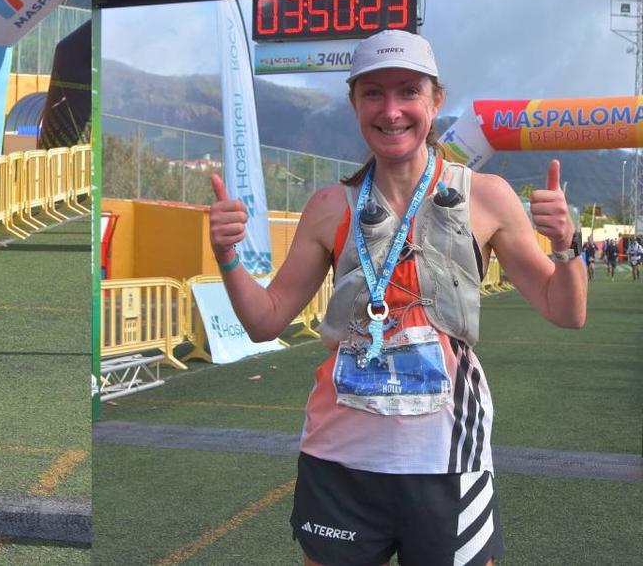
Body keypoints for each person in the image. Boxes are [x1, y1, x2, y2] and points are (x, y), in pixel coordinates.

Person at [209, 30, 587, 566]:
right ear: (354, 103)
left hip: (446, 459)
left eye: (408, 91)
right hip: (338, 459)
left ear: (435, 100)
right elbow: (265, 321)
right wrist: (227, 256)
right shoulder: (328, 206)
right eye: (373, 93)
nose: (392, 111)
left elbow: (566, 311)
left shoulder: (488, 197)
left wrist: (568, 246)